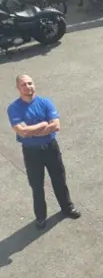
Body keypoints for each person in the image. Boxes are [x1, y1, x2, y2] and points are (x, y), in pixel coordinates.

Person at [6, 74, 81, 229]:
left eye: (30, 83)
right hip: (32, 153)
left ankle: (67, 208)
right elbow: (22, 132)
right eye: (23, 85)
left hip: (51, 149)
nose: (28, 87)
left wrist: (31, 130)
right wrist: (43, 124)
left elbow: (56, 126)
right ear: (18, 88)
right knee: (37, 185)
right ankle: (40, 217)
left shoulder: (45, 103)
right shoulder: (14, 108)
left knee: (59, 180)